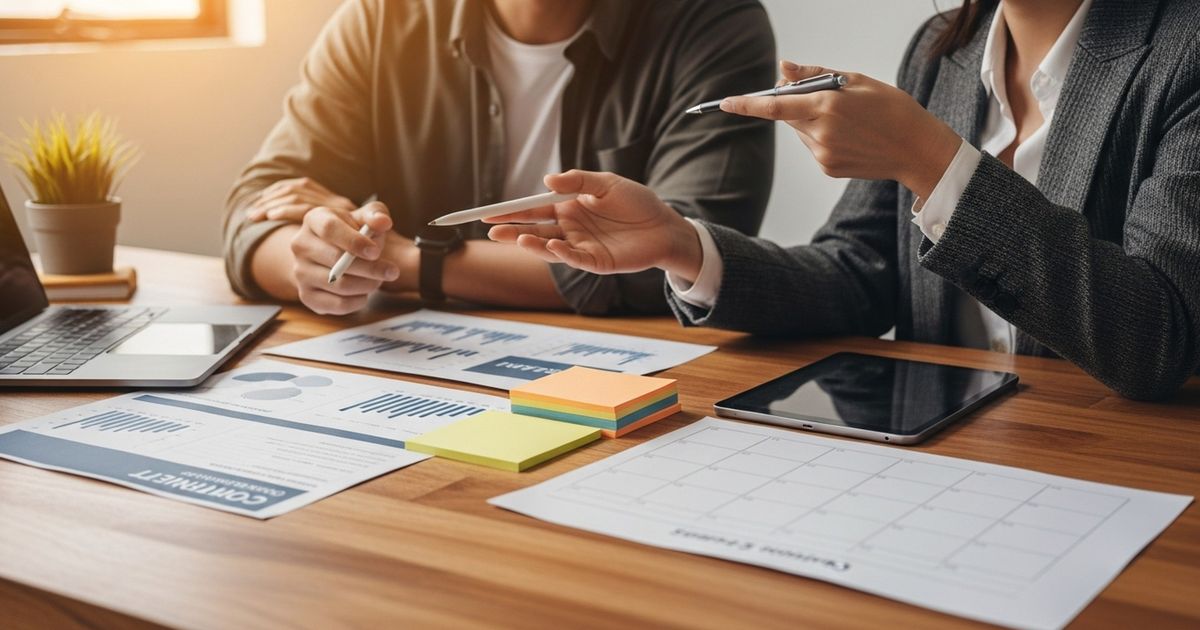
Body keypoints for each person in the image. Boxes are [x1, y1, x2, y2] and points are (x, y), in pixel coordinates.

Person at [485, 0, 1200, 401]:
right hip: (947, 460)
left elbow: (1160, 337)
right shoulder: (940, 50)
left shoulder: (1184, 47)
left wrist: (933, 161)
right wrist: (682, 245)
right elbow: (858, 272)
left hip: (1119, 474)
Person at [222, 0, 775, 316]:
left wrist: (407, 263)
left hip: (622, 381)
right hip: (420, 362)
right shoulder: (381, 17)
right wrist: (321, 254)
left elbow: (695, 255)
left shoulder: (712, 21)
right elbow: (258, 210)